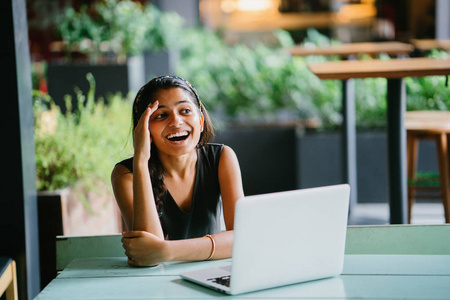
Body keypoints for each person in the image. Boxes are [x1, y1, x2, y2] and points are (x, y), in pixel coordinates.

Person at [111, 76, 244, 267]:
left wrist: (166, 251)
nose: (176, 121)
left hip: (212, 277)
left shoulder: (222, 158)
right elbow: (147, 259)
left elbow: (242, 238)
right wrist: (141, 161)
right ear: (144, 129)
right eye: (161, 115)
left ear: (200, 120)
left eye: (185, 111)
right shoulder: (125, 175)